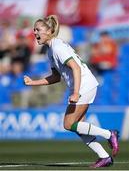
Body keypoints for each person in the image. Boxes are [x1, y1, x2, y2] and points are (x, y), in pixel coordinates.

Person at [24, 15, 119, 168]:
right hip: (85, 85)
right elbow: (56, 77)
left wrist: (76, 93)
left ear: (49, 31)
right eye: (34, 29)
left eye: (38, 29)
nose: (35, 32)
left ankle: (109, 134)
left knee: (68, 124)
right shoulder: (50, 50)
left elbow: (75, 67)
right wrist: (33, 82)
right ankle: (104, 157)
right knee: (78, 127)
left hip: (84, 86)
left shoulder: (57, 47)